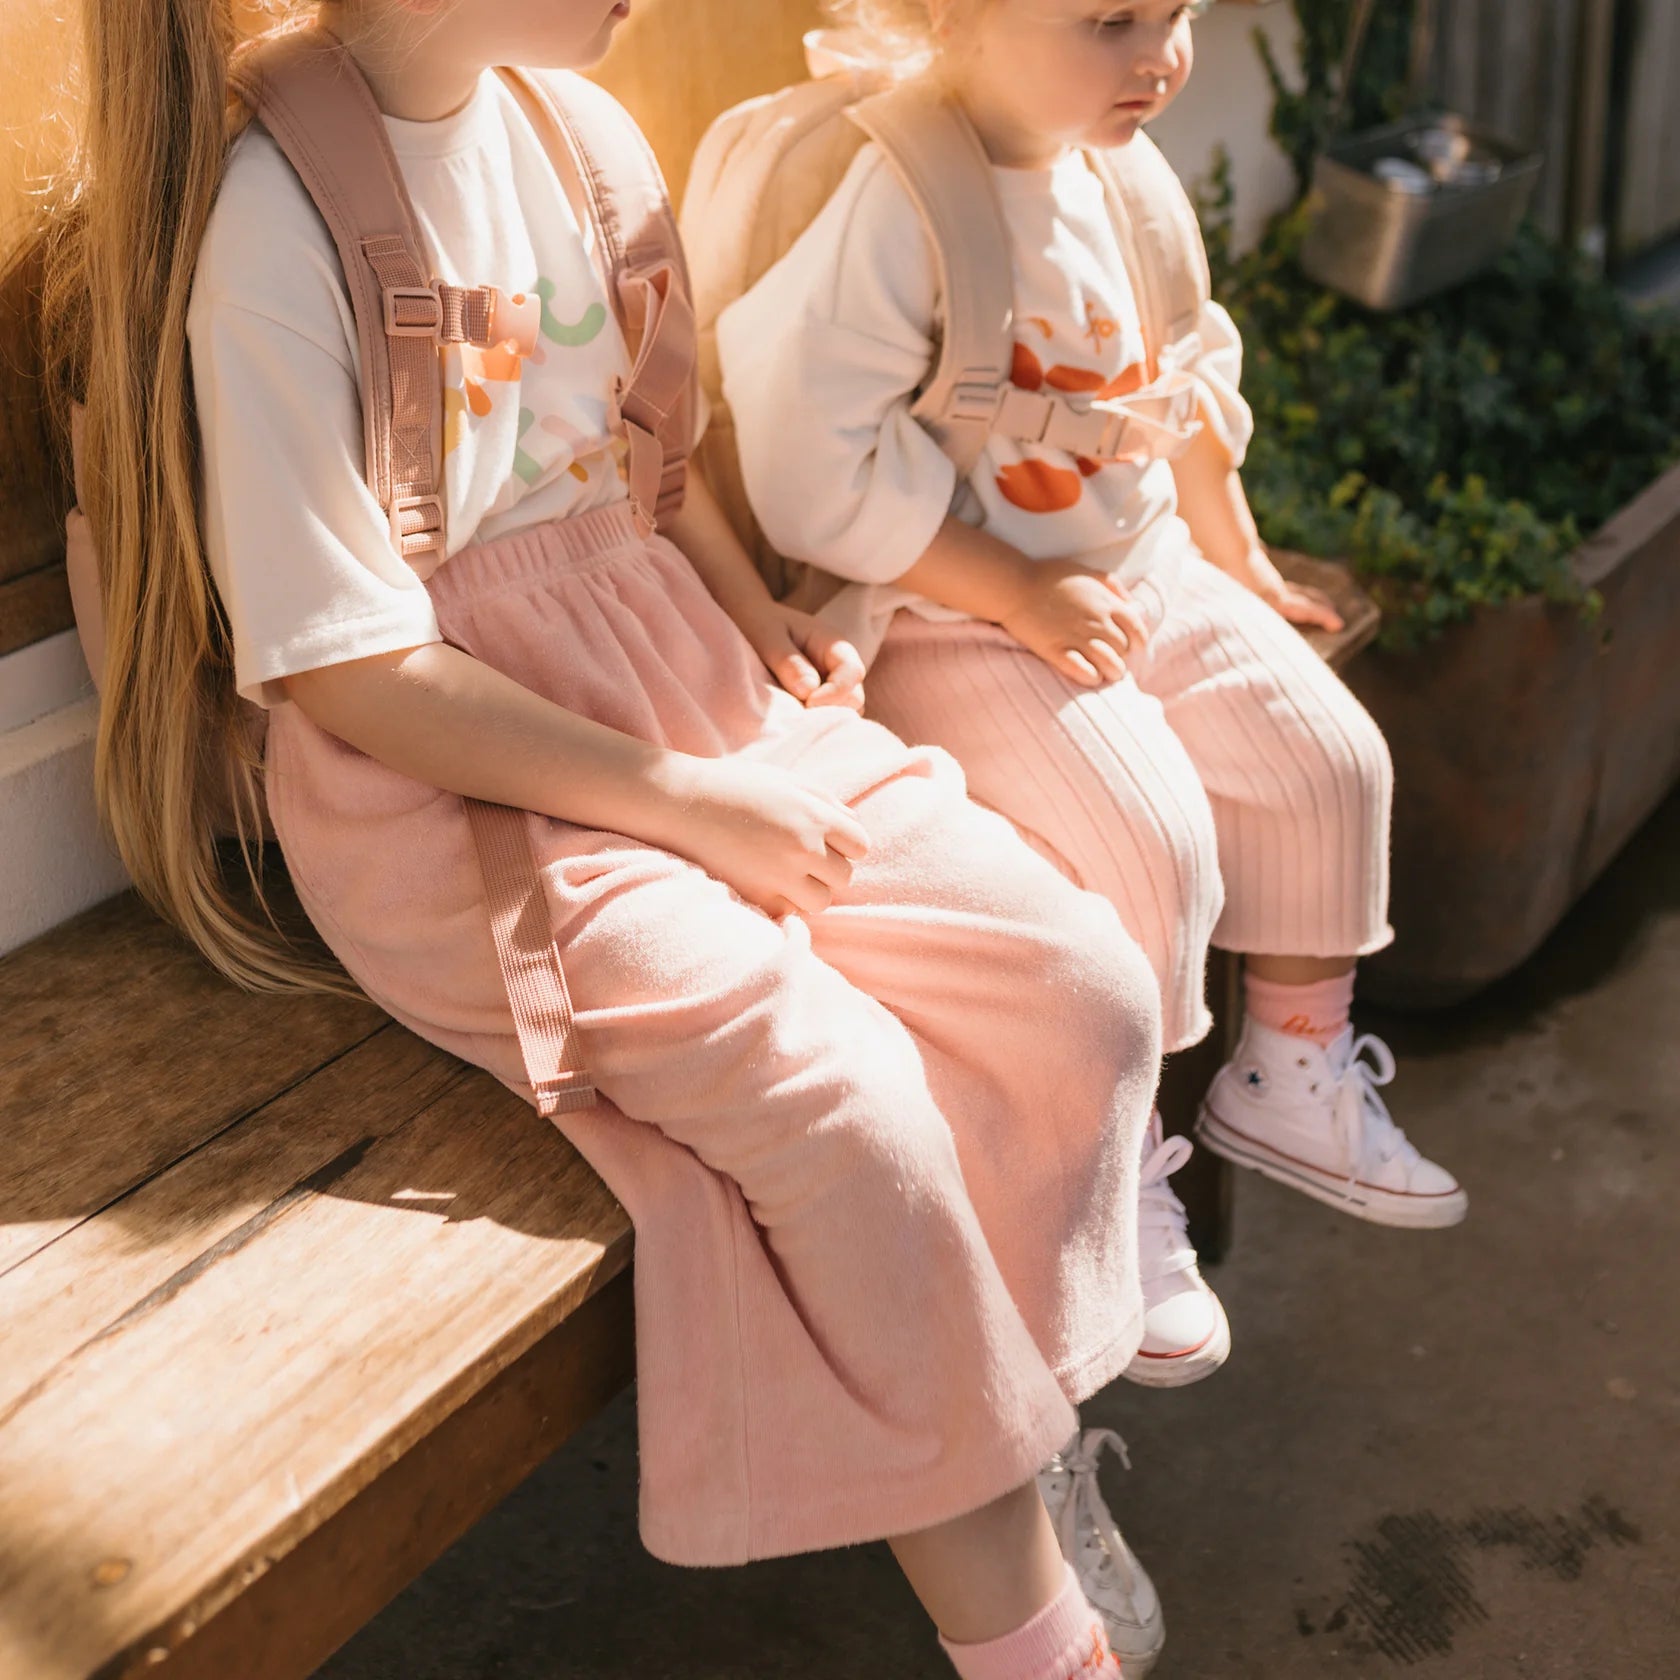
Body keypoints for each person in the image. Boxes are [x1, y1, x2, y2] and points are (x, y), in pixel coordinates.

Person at [48, 0, 1176, 1673]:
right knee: (839, 1096)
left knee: (1073, 985)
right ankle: (1024, 1633)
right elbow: (353, 670)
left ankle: (1001, 1421)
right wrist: (690, 809)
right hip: (459, 793)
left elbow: (646, 460)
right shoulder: (274, 226)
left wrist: (745, 610)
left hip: (685, 690)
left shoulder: (578, 135)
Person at [718, 0, 1469, 1261]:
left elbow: (1185, 386)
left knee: (1331, 763)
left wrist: (1242, 562)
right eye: (1112, 19)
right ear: (953, 17)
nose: (1163, 55)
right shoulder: (900, 197)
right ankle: (1109, 1171)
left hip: (1137, 563)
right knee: (1147, 834)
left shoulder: (1125, 172)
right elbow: (810, 465)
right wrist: (1012, 591)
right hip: (948, 608)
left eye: (1178, 12)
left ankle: (1290, 1074)